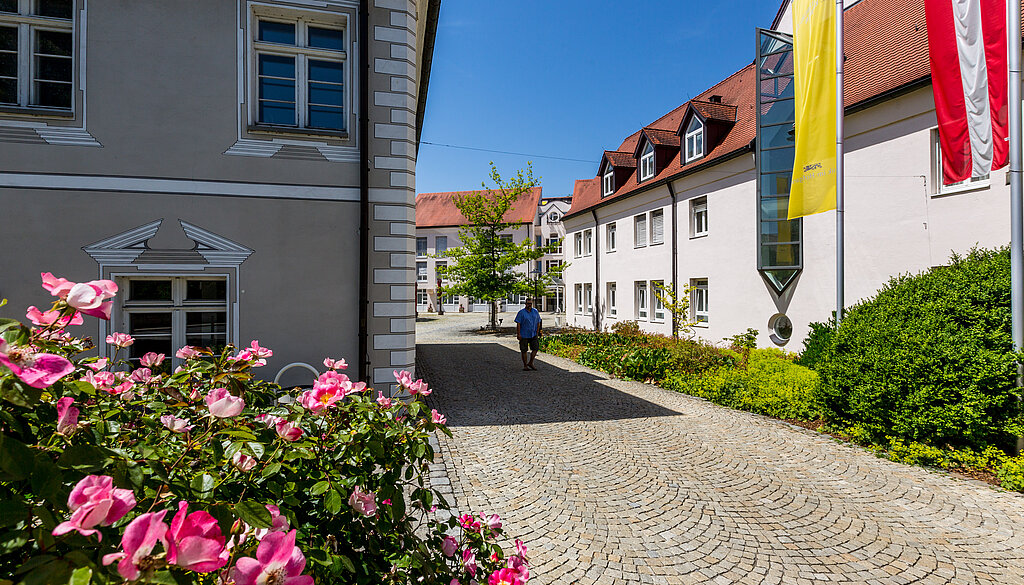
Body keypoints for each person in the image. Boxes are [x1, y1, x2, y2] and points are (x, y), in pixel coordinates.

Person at [514, 298, 542, 371]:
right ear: (525, 304)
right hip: (524, 334)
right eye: (528, 303)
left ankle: (531, 362)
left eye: (530, 303)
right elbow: (518, 324)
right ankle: (525, 365)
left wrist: (538, 331)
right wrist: (518, 334)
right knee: (524, 350)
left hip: (533, 334)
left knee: (535, 348)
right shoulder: (521, 312)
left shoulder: (535, 311)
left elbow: (538, 321)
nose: (529, 305)